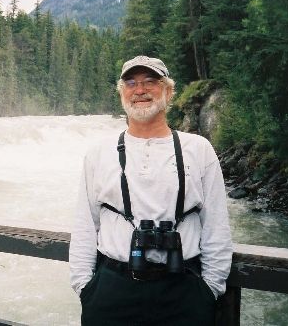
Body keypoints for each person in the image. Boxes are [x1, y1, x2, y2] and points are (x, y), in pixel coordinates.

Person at [69, 55, 232, 325]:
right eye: (130, 83)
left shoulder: (199, 149)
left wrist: (209, 290)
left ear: (168, 91)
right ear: (122, 94)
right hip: (111, 291)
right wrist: (86, 288)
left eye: (150, 82)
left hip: (184, 291)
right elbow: (85, 224)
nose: (140, 90)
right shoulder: (98, 153)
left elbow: (216, 225)